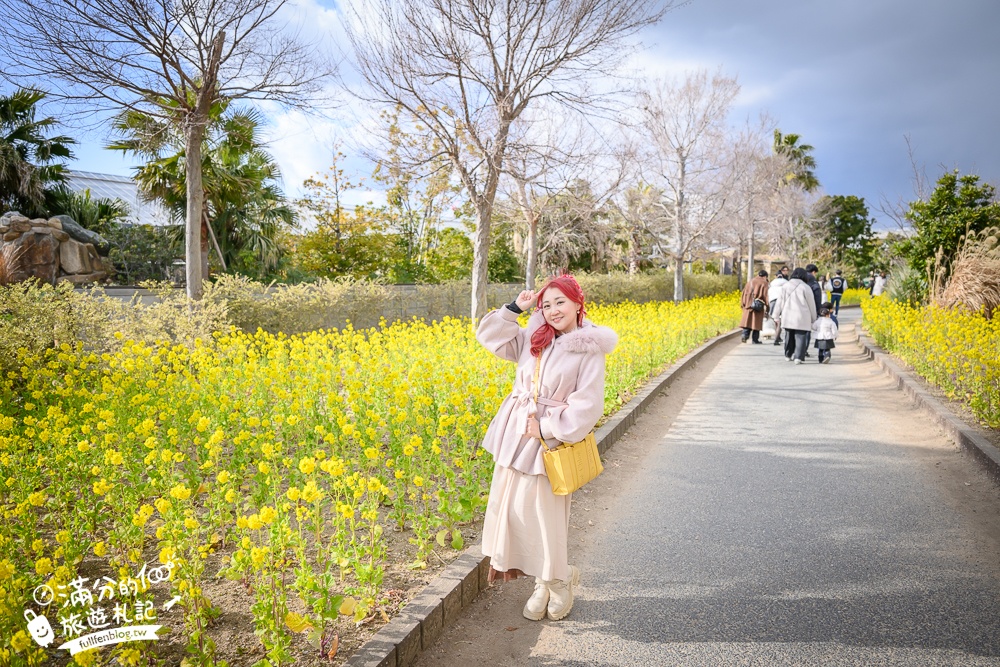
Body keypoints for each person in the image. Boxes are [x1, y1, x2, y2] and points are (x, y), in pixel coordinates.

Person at [475, 274, 617, 622]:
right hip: (515, 435)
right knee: (514, 513)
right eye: (546, 304)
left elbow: (588, 405)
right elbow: (489, 337)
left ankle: (558, 580)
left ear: (578, 304)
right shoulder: (534, 337)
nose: (553, 310)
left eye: (561, 303)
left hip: (547, 442)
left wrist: (549, 428)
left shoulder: (588, 348)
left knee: (544, 516)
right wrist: (514, 309)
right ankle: (542, 581)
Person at [771, 267, 817, 365]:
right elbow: (811, 304)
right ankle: (798, 357)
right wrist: (814, 318)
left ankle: (788, 355)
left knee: (789, 336)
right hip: (802, 316)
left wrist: (775, 315)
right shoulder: (806, 287)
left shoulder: (786, 286)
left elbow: (779, 302)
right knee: (801, 336)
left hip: (788, 315)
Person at [740, 269, 770, 344]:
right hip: (758, 306)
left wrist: (743, 304)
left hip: (748, 304)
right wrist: (767, 308)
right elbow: (766, 296)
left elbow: (744, 293)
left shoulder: (750, 281)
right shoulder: (764, 283)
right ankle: (755, 339)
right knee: (756, 323)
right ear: (765, 276)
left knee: (747, 322)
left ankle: (744, 336)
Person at [767, 267, 789, 346]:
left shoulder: (772, 284)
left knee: (775, 320)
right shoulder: (786, 283)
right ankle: (777, 338)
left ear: (776, 276)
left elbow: (768, 295)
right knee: (780, 320)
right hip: (782, 302)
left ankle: (777, 336)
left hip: (772, 302)